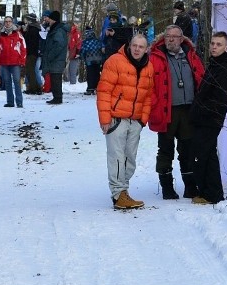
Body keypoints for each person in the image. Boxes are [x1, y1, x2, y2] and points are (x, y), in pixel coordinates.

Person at [96, 33, 154, 209]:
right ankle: (118, 193)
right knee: (117, 157)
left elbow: (148, 95)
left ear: (146, 49)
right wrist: (105, 119)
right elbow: (104, 91)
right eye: (134, 45)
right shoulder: (115, 61)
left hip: (135, 121)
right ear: (129, 45)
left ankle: (122, 191)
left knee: (130, 159)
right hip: (116, 118)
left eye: (141, 47)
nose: (137, 49)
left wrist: (142, 120)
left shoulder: (148, 66)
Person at [148, 24, 204, 199]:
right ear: (164, 39)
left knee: (187, 150)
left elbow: (201, 78)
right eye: (168, 36)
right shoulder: (154, 58)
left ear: (181, 39)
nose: (171, 39)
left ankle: (190, 187)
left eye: (175, 36)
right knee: (165, 150)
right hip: (166, 111)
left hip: (188, 110)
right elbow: (148, 85)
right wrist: (154, 105)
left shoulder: (191, 56)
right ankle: (167, 188)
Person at [187, 31, 227, 205]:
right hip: (204, 117)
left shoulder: (225, 68)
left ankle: (210, 194)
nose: (214, 47)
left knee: (202, 155)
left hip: (210, 119)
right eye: (213, 43)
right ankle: (211, 193)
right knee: (207, 155)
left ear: (226, 47)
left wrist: (200, 110)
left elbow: (218, 99)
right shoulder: (215, 64)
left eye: (219, 44)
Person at [0, 16, 27, 108]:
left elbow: (23, 48)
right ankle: (10, 102)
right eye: (6, 21)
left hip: (15, 62)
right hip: (4, 63)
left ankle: (19, 102)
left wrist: (22, 60)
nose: (8, 23)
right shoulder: (1, 35)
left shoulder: (18, 34)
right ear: (4, 23)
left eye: (9, 21)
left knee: (17, 81)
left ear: (12, 22)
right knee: (7, 82)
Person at [41, 11, 68, 104]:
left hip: (57, 58)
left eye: (50, 19)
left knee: (56, 78)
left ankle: (58, 98)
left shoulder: (58, 30)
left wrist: (50, 55)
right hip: (55, 58)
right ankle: (56, 97)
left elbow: (59, 45)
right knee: (54, 77)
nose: (48, 20)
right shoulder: (55, 29)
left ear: (54, 20)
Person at [22, 13, 43, 94]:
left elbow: (30, 41)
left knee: (30, 71)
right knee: (32, 70)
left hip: (31, 53)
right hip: (33, 52)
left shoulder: (32, 29)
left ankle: (33, 88)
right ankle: (36, 87)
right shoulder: (35, 28)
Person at [80, 26, 103, 95]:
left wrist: (82, 57)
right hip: (98, 59)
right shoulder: (98, 41)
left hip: (89, 60)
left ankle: (90, 88)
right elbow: (101, 49)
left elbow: (83, 51)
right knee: (97, 73)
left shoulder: (85, 42)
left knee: (90, 74)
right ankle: (97, 88)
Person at [66, 21, 82, 85]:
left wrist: (78, 52)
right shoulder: (70, 33)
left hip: (74, 52)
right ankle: (71, 82)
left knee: (73, 68)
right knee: (69, 68)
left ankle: (73, 83)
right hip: (69, 51)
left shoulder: (76, 33)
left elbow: (78, 43)